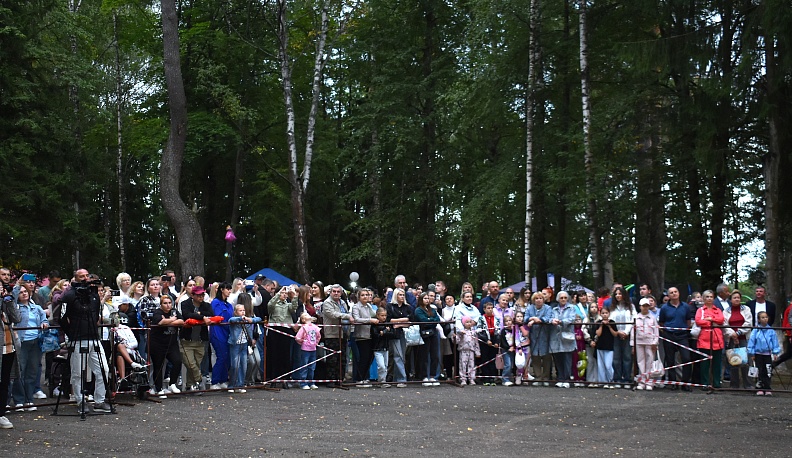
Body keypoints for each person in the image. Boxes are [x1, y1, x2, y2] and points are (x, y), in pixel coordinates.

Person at [60, 269, 111, 413]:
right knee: (78, 372)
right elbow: (62, 317)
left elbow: (95, 315)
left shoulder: (93, 295)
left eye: (86, 276)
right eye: (81, 276)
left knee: (103, 369)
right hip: (77, 339)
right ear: (75, 279)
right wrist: (71, 332)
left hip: (94, 337)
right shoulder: (69, 295)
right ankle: (80, 401)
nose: (85, 279)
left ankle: (99, 400)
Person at [11, 288, 48, 411]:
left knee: (32, 371)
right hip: (22, 342)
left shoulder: (36, 307)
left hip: (35, 341)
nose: (24, 293)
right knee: (20, 370)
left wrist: (44, 323)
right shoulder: (15, 307)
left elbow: (44, 318)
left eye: (25, 291)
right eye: (21, 292)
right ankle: (19, 400)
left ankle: (29, 400)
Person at [658, 286, 694, 391]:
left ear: (678, 293)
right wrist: (667, 331)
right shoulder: (664, 308)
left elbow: (688, 320)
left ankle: (685, 382)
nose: (674, 294)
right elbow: (661, 322)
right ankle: (673, 382)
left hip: (682, 336)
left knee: (686, 358)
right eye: (671, 292)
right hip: (669, 335)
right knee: (670, 360)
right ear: (668, 296)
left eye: (675, 291)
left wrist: (684, 329)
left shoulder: (686, 306)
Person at [180, 285, 213, 391]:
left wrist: (198, 314)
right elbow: (187, 315)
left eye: (203, 295)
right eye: (198, 295)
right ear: (192, 295)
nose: (201, 297)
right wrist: (202, 317)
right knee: (190, 364)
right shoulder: (185, 303)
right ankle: (199, 381)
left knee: (196, 364)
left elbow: (211, 314)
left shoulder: (206, 305)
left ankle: (190, 385)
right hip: (187, 340)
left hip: (200, 340)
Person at [149, 295, 183, 397]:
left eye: (169, 303)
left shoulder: (174, 311)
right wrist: (172, 320)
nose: (168, 305)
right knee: (158, 366)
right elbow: (160, 322)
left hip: (172, 343)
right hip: (158, 343)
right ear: (161, 304)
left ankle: (172, 383)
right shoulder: (157, 312)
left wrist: (169, 321)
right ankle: (158, 389)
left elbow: (181, 321)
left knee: (177, 361)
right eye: (165, 303)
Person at [267, 285, 298, 387]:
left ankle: (285, 378)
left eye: (285, 293)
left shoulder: (287, 304)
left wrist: (294, 295)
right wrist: (278, 293)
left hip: (286, 330)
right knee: (274, 355)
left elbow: (294, 308)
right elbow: (270, 305)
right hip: (275, 330)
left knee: (285, 356)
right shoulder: (274, 304)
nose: (284, 295)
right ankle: (274, 378)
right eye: (282, 293)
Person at [322, 284, 353, 388]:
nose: (336, 293)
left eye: (338, 291)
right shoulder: (327, 303)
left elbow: (347, 312)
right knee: (332, 359)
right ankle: (331, 380)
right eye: (334, 291)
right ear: (330, 292)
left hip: (343, 334)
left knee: (343, 358)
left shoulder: (343, 302)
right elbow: (332, 314)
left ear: (341, 293)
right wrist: (347, 316)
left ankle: (340, 379)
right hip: (331, 334)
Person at [0, 282, 21, 429]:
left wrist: (9, 300)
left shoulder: (6, 302)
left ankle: (1, 413)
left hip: (8, 348)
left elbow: (17, 318)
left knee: (4, 382)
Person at [722, 290, 753, 389]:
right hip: (731, 339)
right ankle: (734, 384)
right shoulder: (726, 311)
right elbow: (724, 324)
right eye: (734, 298)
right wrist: (733, 334)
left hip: (744, 338)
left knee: (746, 361)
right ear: (731, 300)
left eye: (738, 298)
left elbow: (748, 323)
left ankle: (748, 384)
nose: (737, 299)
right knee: (733, 361)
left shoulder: (746, 309)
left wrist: (738, 333)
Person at [227, 304, 261, 393]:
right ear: (235, 312)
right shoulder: (234, 319)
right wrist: (241, 319)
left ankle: (240, 385)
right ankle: (232, 385)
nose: (242, 312)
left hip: (244, 344)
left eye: (243, 310)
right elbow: (231, 320)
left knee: (244, 365)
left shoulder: (247, 319)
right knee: (235, 365)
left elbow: (259, 319)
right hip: (235, 344)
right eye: (240, 311)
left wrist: (250, 319)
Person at [695, 290, 725, 389]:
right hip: (704, 340)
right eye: (707, 297)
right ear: (703, 298)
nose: (709, 298)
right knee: (704, 364)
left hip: (717, 339)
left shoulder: (718, 309)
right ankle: (705, 383)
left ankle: (716, 383)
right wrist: (712, 322)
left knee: (717, 364)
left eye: (711, 297)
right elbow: (698, 321)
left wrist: (710, 319)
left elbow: (721, 319)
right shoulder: (700, 310)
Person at [747, 311, 781, 396]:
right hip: (758, 353)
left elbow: (774, 342)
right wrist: (752, 353)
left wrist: (775, 352)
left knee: (768, 370)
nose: (765, 319)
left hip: (767, 354)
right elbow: (752, 341)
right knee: (759, 370)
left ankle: (767, 387)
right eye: (762, 317)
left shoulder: (771, 331)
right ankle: (759, 387)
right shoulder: (756, 330)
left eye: (766, 317)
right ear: (758, 319)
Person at [609, 286, 635, 388]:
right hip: (615, 335)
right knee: (616, 358)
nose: (618, 296)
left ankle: (627, 379)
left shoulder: (630, 307)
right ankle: (617, 378)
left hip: (627, 335)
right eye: (616, 294)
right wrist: (617, 332)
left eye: (620, 294)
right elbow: (610, 320)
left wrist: (626, 332)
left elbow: (633, 319)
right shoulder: (612, 307)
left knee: (627, 357)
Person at [550, 291, 577, 388]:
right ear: (558, 299)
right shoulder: (554, 309)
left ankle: (566, 379)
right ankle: (560, 378)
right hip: (556, 337)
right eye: (561, 298)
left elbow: (572, 319)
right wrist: (552, 320)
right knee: (558, 358)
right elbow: (550, 318)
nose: (563, 299)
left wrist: (561, 322)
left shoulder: (572, 308)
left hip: (567, 337)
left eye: (565, 298)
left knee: (567, 359)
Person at [209, 282, 234, 390]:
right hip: (217, 331)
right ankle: (214, 381)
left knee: (227, 357)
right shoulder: (215, 302)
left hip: (227, 331)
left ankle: (223, 379)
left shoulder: (228, 305)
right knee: (221, 356)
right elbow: (219, 316)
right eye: (227, 289)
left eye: (230, 289)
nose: (229, 291)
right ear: (221, 290)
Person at [385, 287, 411, 388]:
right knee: (398, 355)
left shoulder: (407, 307)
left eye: (403, 295)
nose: (402, 296)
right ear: (396, 295)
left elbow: (410, 320)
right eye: (400, 295)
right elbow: (389, 320)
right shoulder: (390, 306)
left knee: (402, 356)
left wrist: (399, 323)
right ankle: (402, 378)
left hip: (403, 333)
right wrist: (402, 321)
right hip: (394, 334)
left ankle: (397, 377)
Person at [351, 288, 377, 387]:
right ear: (359, 297)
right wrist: (370, 320)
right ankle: (359, 378)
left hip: (370, 334)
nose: (366, 297)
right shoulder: (356, 307)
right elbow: (357, 319)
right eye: (363, 295)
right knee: (363, 357)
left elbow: (374, 315)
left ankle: (365, 377)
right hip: (361, 335)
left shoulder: (368, 306)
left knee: (369, 357)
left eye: (367, 295)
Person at [526, 292, 553, 386]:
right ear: (533, 300)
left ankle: (546, 377)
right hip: (533, 335)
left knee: (546, 357)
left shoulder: (548, 308)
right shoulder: (529, 308)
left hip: (545, 335)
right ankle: (538, 377)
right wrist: (532, 318)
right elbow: (525, 318)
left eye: (540, 298)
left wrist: (537, 320)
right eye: (536, 298)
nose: (538, 300)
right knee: (535, 357)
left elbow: (548, 318)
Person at [414, 292, 440, 387]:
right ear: (421, 299)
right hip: (424, 334)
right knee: (424, 356)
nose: (427, 300)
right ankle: (424, 376)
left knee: (435, 355)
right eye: (425, 298)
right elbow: (423, 320)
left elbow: (437, 319)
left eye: (428, 298)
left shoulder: (432, 309)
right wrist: (430, 320)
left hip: (433, 334)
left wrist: (430, 320)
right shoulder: (418, 310)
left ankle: (433, 376)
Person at [632, 298, 659, 390]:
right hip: (639, 342)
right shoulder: (636, 317)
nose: (645, 308)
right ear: (640, 307)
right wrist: (632, 344)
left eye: (647, 306)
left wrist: (655, 342)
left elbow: (656, 331)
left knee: (649, 361)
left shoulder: (652, 318)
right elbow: (633, 331)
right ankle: (642, 381)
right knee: (640, 362)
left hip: (650, 343)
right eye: (643, 306)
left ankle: (649, 382)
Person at [294, 312, 321, 390]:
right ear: (303, 319)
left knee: (312, 367)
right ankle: (303, 383)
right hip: (305, 349)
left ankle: (311, 382)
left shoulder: (315, 327)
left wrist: (316, 343)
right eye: (306, 316)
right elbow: (297, 337)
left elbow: (318, 336)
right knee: (304, 366)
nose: (308, 316)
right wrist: (303, 342)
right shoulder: (304, 327)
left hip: (313, 349)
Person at [594, 307, 618, 389]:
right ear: (600, 314)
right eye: (603, 313)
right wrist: (601, 325)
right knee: (601, 365)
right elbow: (598, 333)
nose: (605, 315)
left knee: (608, 365)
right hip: (600, 346)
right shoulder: (598, 322)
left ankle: (610, 380)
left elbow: (615, 334)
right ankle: (602, 381)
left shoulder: (612, 322)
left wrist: (609, 326)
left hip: (609, 347)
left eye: (606, 313)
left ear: (609, 313)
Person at [456, 316, 480, 385]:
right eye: (467, 322)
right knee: (462, 365)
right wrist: (457, 335)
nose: (469, 324)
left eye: (470, 322)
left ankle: (471, 378)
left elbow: (476, 342)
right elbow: (456, 341)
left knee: (471, 365)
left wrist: (477, 352)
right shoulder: (461, 332)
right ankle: (463, 379)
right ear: (463, 323)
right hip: (463, 350)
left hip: (471, 350)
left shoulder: (473, 332)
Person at [585, 303, 600, 386]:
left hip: (598, 343)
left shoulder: (600, 319)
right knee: (590, 361)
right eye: (592, 307)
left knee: (597, 361)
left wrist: (595, 340)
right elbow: (584, 330)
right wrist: (590, 340)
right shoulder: (586, 319)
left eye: (595, 307)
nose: (594, 309)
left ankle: (597, 380)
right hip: (588, 343)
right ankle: (590, 380)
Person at [499, 315, 515, 386]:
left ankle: (511, 377)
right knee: (507, 364)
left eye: (509, 320)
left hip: (513, 349)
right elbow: (502, 341)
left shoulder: (514, 330)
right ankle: (505, 379)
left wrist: (514, 346)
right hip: (506, 350)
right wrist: (508, 347)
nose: (508, 322)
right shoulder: (503, 331)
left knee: (512, 364)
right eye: (506, 321)